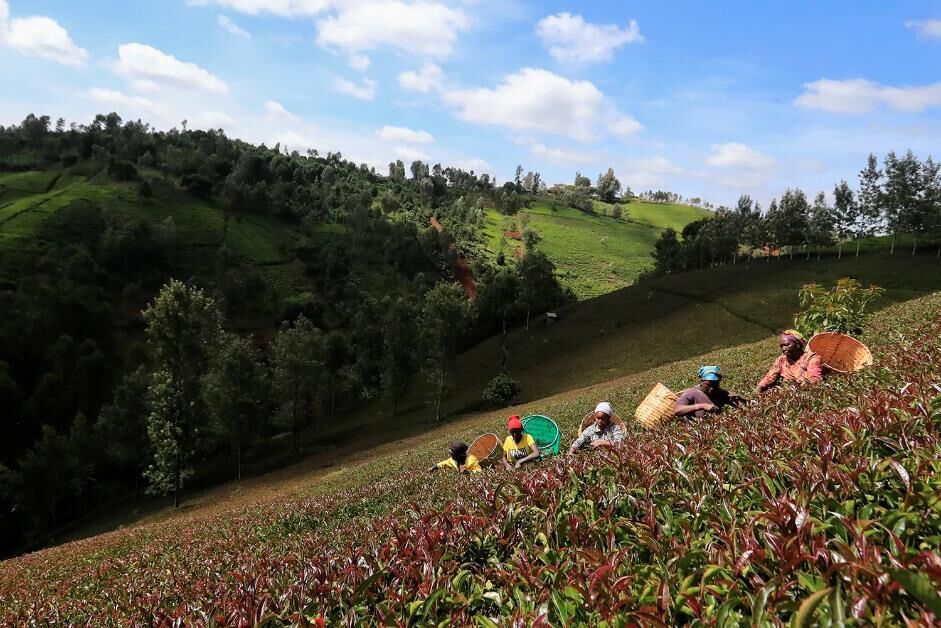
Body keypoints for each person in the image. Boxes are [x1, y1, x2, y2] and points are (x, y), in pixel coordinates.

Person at [756, 329, 823, 393]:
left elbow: (815, 380)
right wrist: (759, 388)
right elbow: (770, 376)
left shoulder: (812, 358)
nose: (783, 349)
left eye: (787, 345)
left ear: (798, 345)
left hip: (805, 393)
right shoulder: (782, 359)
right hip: (787, 392)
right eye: (781, 346)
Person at [674, 366, 745, 419]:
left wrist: (740, 399)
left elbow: (742, 401)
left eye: (715, 384)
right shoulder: (692, 393)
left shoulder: (718, 392)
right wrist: (702, 406)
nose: (711, 388)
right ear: (701, 382)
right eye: (708, 385)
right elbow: (677, 410)